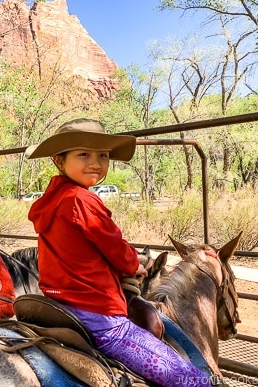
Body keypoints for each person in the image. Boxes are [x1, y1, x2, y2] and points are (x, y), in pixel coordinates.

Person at [25, 118, 210, 386]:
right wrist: (134, 264)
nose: (96, 163)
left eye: (103, 155)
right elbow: (113, 245)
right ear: (59, 160)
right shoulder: (82, 199)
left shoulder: (50, 200)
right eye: (84, 154)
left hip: (61, 302)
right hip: (98, 314)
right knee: (190, 380)